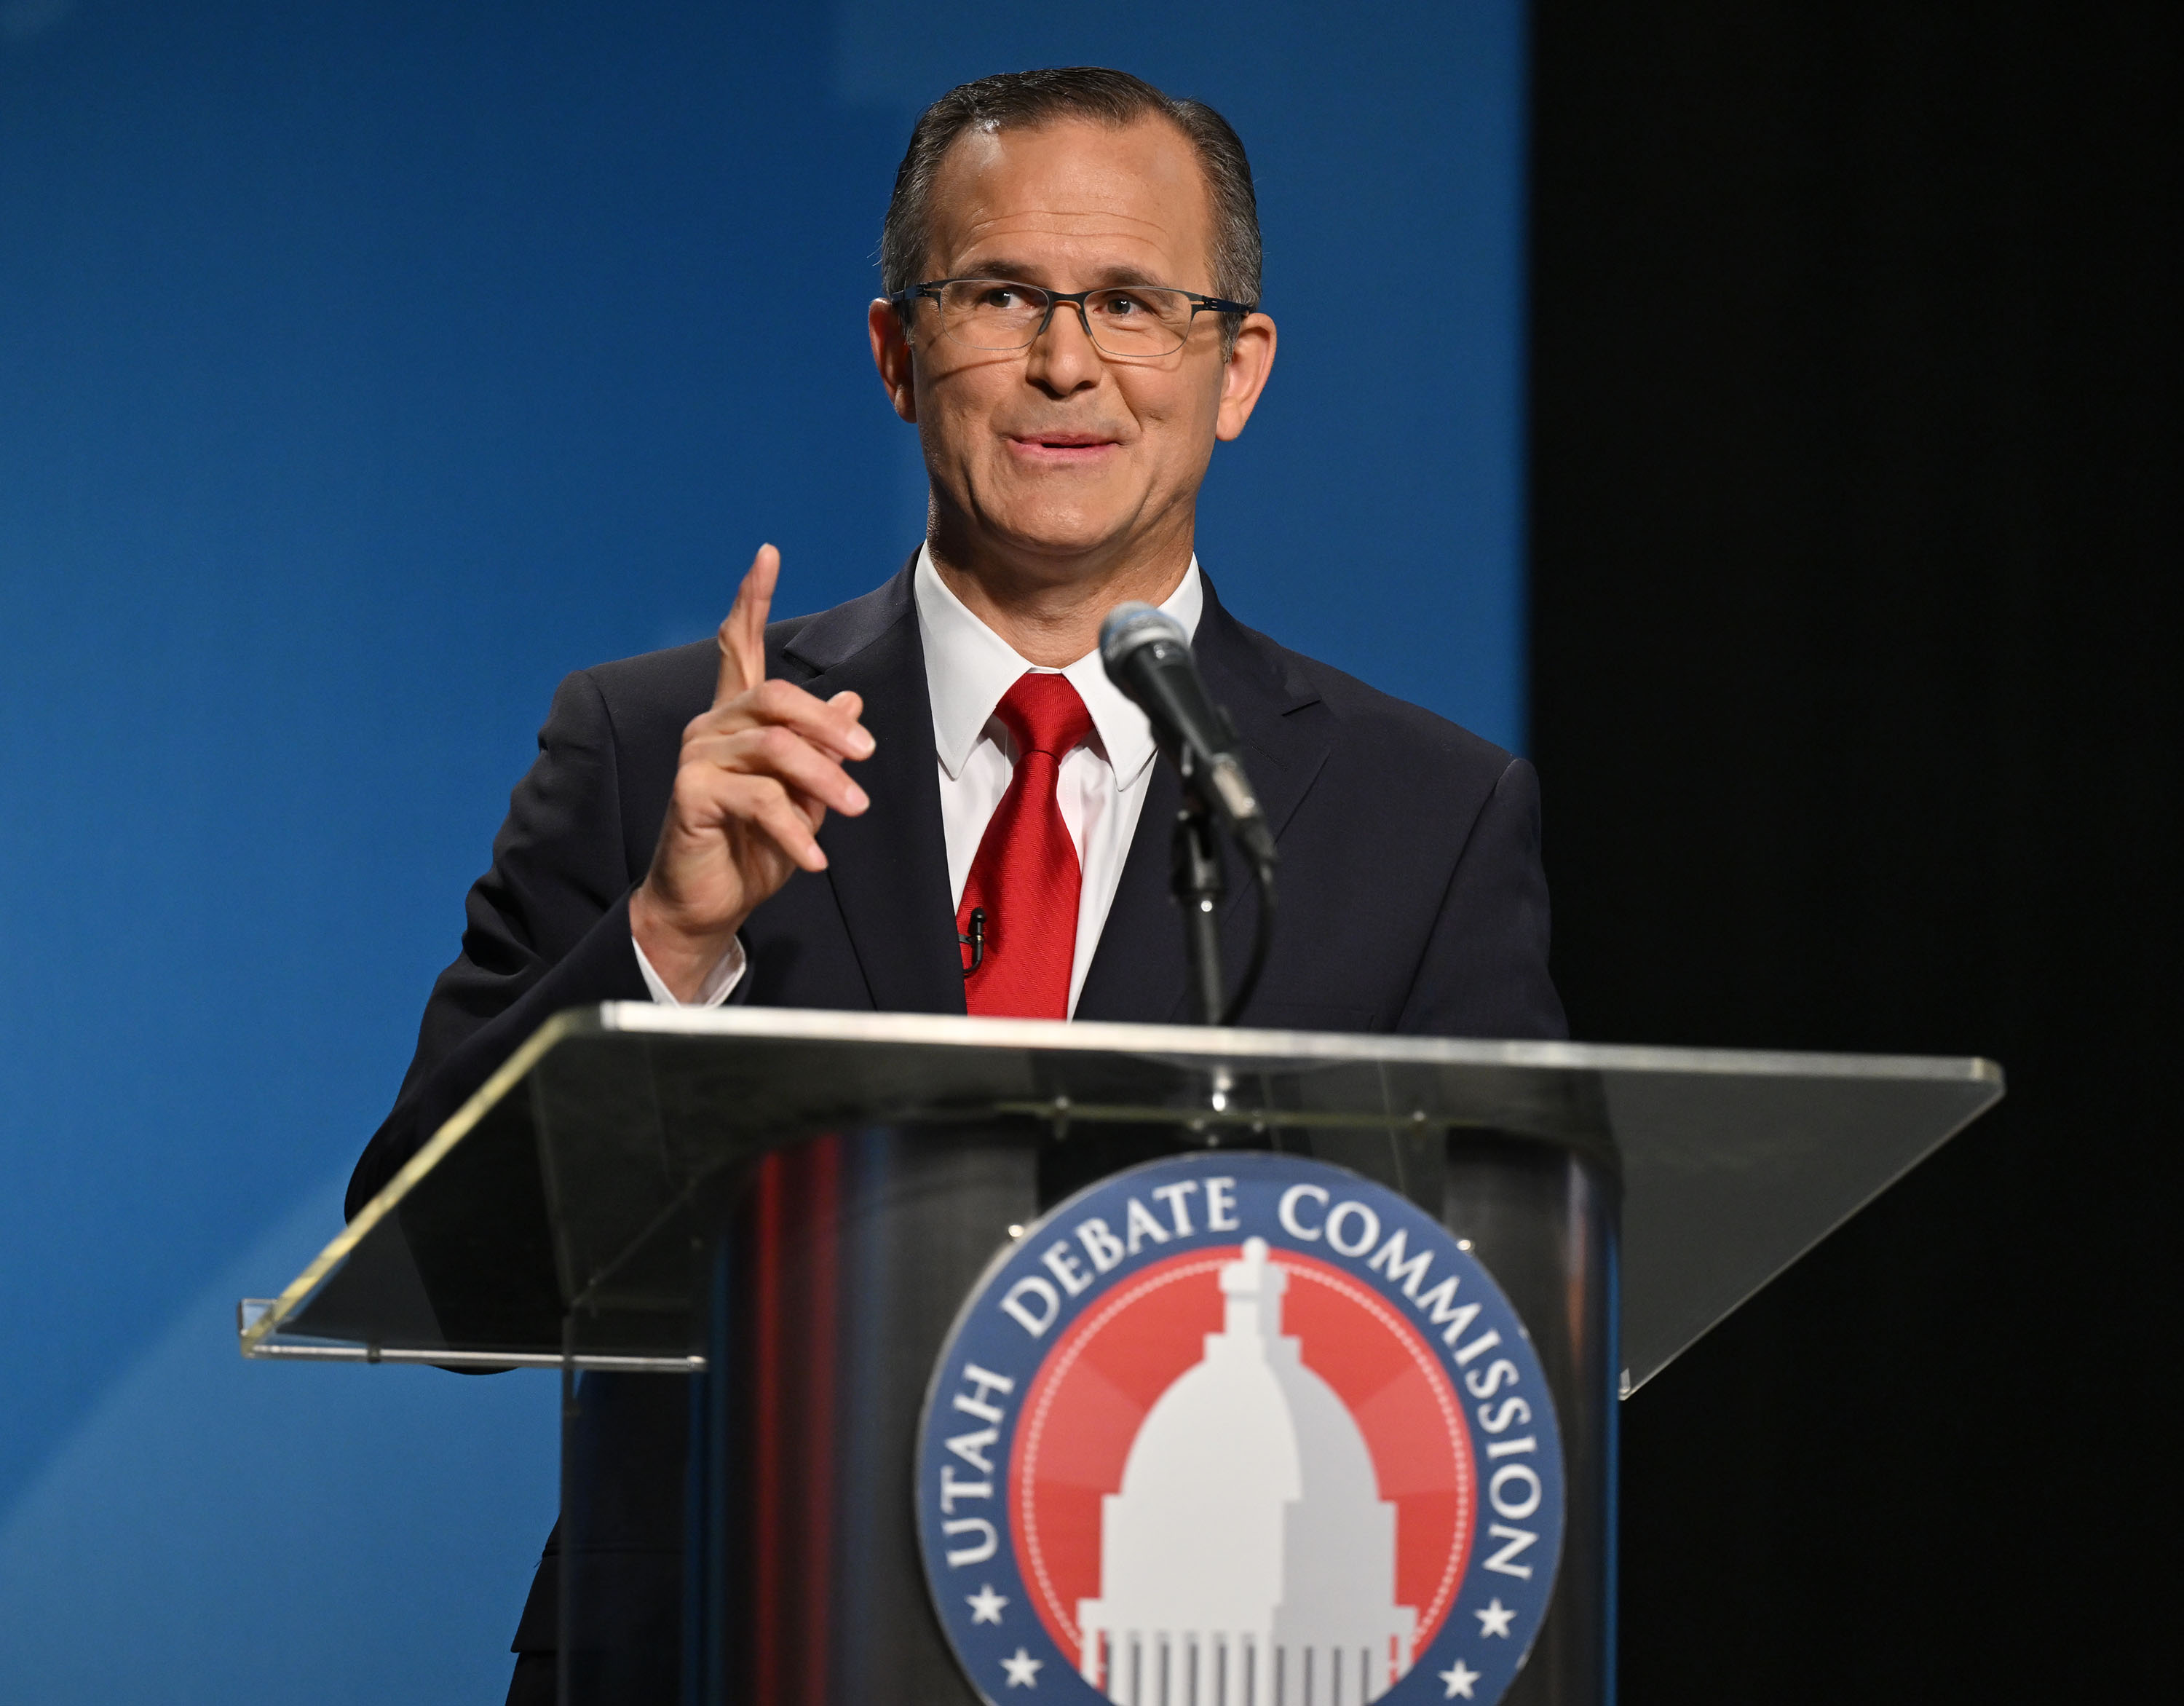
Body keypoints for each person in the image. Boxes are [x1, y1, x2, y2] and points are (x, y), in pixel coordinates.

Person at [347, 66, 1564, 1704]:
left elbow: (1510, 1347)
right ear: (897, 352)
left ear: (1237, 369)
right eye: (1001, 293)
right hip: (723, 1652)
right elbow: (439, 1280)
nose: (1066, 361)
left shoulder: (1426, 816)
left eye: (1133, 303)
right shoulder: (662, 748)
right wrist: (665, 939)